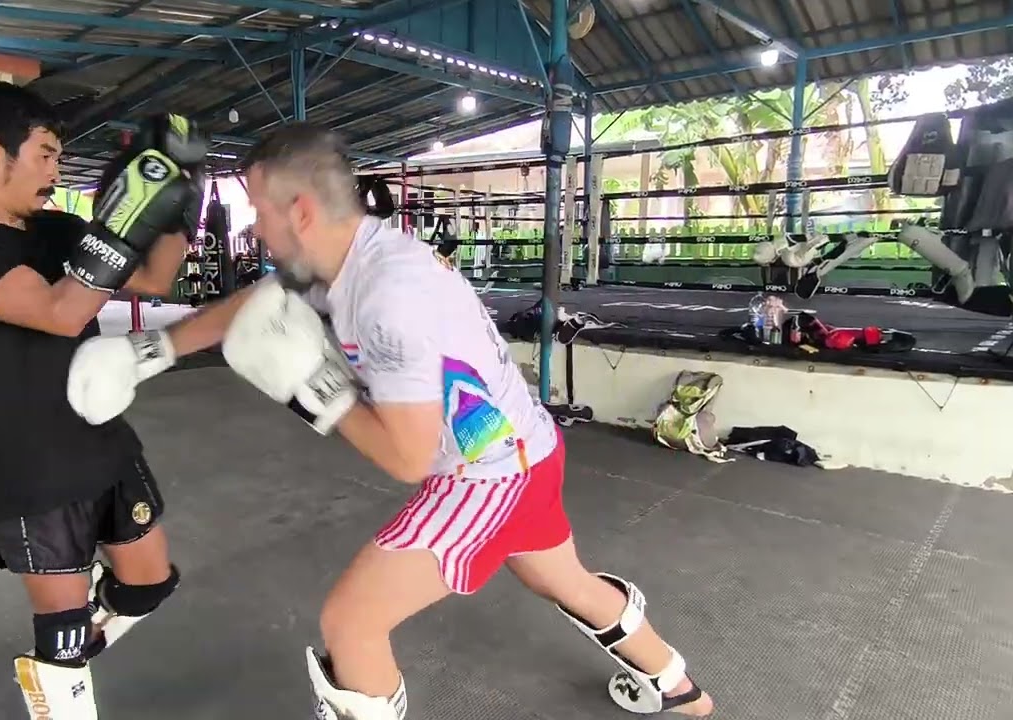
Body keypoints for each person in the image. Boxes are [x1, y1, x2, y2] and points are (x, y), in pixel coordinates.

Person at [66, 123, 715, 719]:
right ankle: (677, 683)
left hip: (484, 477)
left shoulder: (387, 301)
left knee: (351, 622)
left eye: (259, 212)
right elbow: (259, 301)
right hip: (530, 449)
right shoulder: (354, 254)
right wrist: (150, 353)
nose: (253, 230)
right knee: (561, 577)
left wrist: (316, 387)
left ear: (301, 211)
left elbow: (407, 459)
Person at [0, 80, 206, 719]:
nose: (55, 171)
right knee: (65, 647)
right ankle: (59, 667)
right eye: (45, 154)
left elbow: (154, 278)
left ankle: (72, 632)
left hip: (101, 439)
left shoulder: (55, 230)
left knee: (153, 584)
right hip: (31, 469)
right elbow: (58, 312)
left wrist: (180, 202)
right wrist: (121, 219)